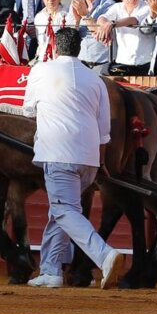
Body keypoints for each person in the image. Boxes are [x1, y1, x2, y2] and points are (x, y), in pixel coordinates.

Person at [23, 27, 124, 290]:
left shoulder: (41, 70)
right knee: (61, 211)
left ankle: (104, 255)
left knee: (64, 210)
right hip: (88, 157)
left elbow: (27, 108)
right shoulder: (95, 79)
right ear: (79, 49)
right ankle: (50, 270)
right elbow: (104, 130)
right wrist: (100, 162)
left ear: (55, 46)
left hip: (59, 153)